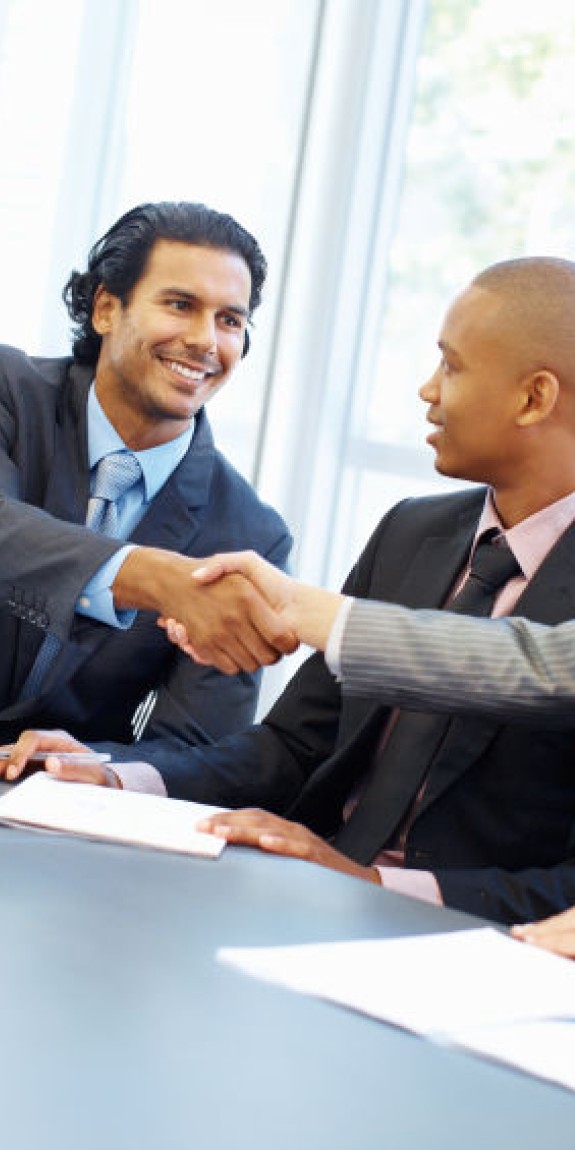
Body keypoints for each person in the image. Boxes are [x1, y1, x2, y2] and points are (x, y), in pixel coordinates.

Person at [9, 256, 575, 928]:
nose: (426, 391)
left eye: (449, 367)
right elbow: (288, 747)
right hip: (288, 899)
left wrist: (369, 883)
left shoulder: (247, 523)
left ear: (532, 397)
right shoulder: (411, 530)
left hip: (469, 940)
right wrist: (114, 774)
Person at [0, 201, 294, 787]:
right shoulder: (9, 391)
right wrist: (153, 577)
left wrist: (97, 768)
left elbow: (197, 743)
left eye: (230, 320)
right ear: (107, 307)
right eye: (181, 305)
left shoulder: (250, 534)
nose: (205, 341)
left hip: (49, 816)